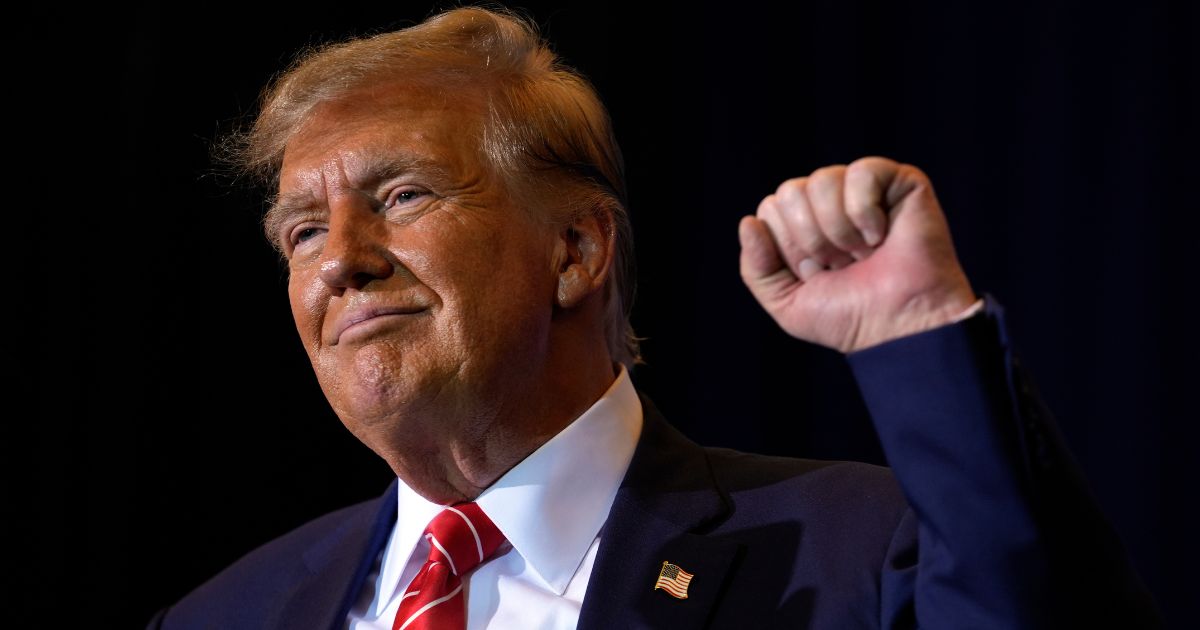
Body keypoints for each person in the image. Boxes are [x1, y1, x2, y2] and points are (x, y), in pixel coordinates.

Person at [149, 6, 1158, 629]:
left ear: (578, 251)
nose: (342, 264)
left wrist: (924, 337)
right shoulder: (224, 615)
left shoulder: (860, 550)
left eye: (404, 196)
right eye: (299, 235)